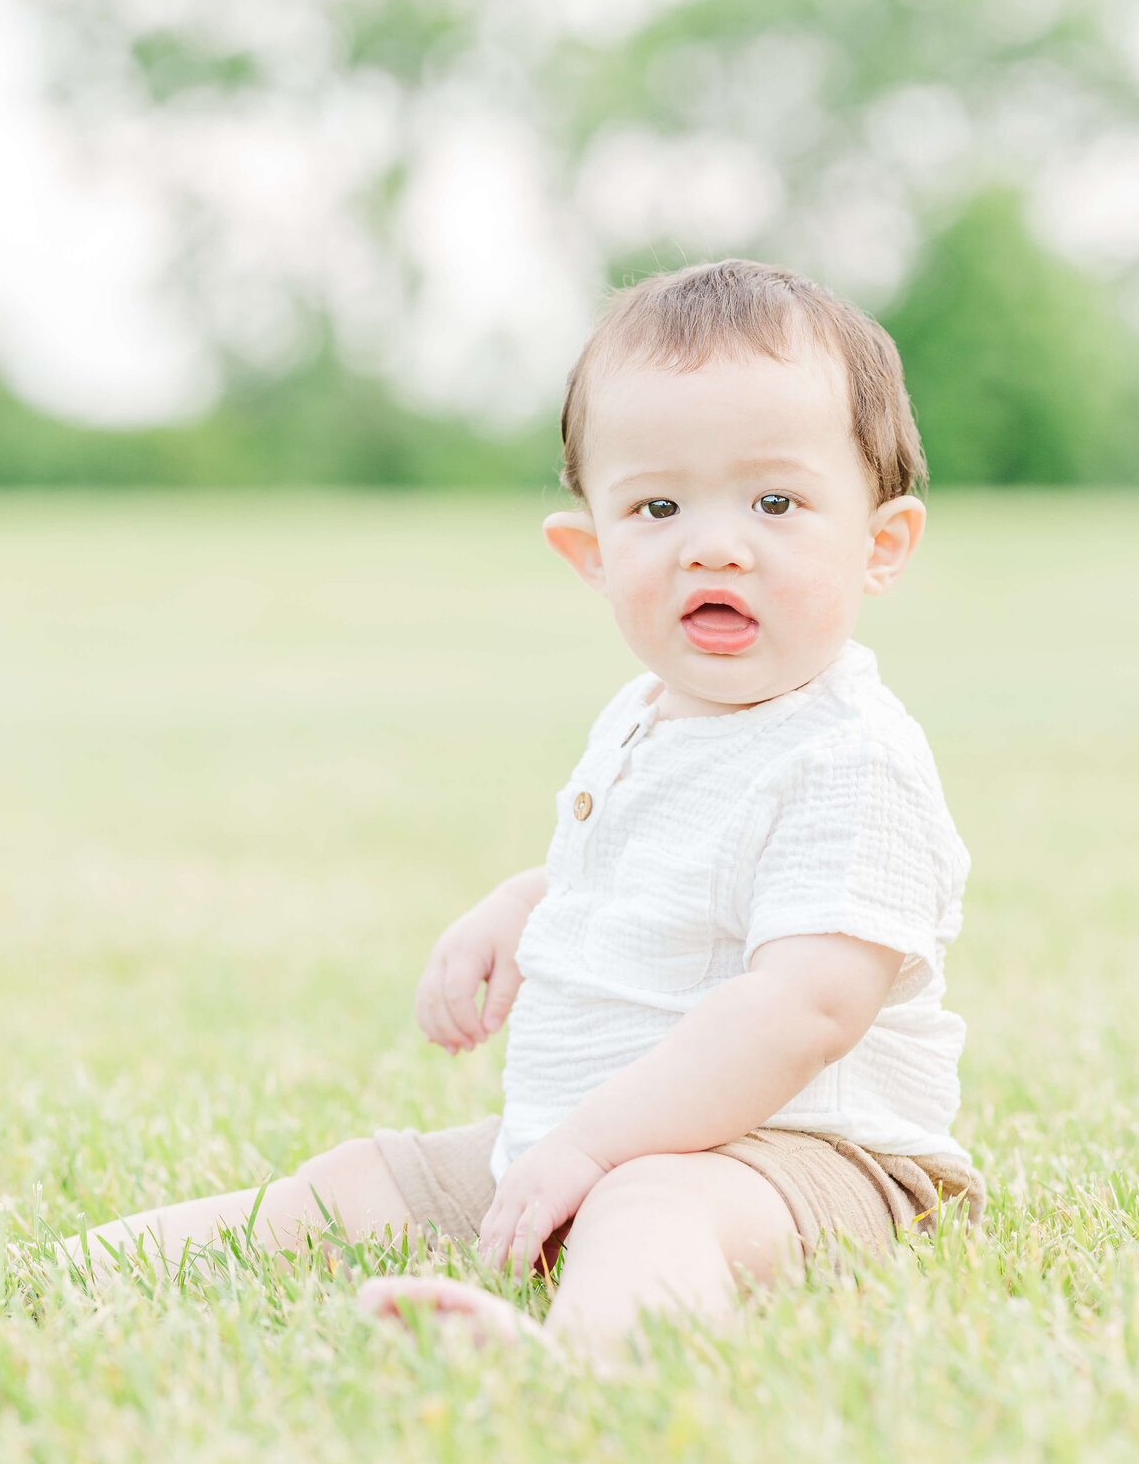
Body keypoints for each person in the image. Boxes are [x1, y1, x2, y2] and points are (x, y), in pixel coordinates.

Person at [77, 259, 984, 1355]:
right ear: (593, 556)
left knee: (649, 1208)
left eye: (776, 501)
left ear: (881, 544)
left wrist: (595, 1148)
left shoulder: (850, 757)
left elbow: (805, 1010)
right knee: (362, 1180)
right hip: (577, 1138)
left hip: (802, 1159)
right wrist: (525, 904)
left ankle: (579, 1368)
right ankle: (59, 1267)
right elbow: (655, 879)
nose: (712, 541)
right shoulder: (649, 715)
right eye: (658, 505)